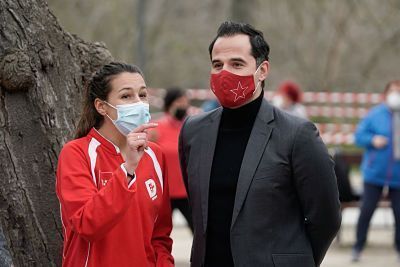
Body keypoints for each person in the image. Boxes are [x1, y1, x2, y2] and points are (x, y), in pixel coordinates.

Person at [178, 21, 341, 267]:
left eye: (237, 64)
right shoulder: (193, 131)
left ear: (262, 70)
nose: (225, 73)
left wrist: (293, 259)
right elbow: (198, 207)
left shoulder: (298, 135)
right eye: (217, 64)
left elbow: (326, 218)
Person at [56, 62, 174, 267]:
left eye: (143, 95)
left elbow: (160, 235)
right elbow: (87, 225)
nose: (138, 103)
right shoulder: (76, 153)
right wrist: (127, 169)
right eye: (126, 96)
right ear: (101, 106)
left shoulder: (155, 155)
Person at [352, 80, 400, 262]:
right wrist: (373, 140)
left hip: (398, 176)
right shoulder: (375, 114)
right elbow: (359, 136)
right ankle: (358, 247)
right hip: (374, 174)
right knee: (366, 212)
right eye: (393, 91)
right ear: (386, 94)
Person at [149, 87, 193, 232]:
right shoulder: (156, 128)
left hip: (187, 193)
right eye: (180, 102)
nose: (183, 105)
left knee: (202, 235)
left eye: (186, 102)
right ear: (170, 104)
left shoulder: (190, 127)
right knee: (158, 234)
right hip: (164, 194)